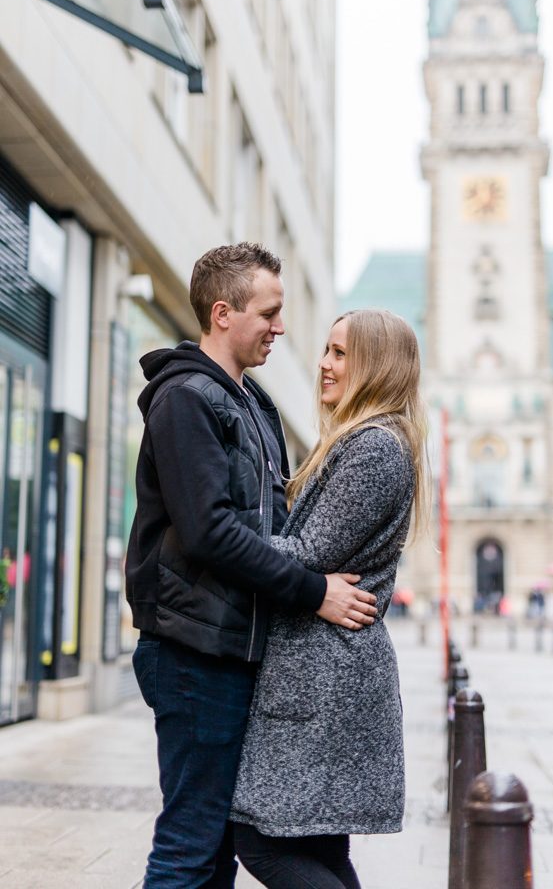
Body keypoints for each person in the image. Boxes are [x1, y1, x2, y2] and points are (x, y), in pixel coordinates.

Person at [126, 243, 378, 889]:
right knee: (190, 842)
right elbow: (209, 533)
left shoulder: (254, 405)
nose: (281, 328)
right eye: (268, 313)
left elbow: (276, 526)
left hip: (234, 652)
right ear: (222, 314)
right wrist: (313, 591)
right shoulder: (186, 399)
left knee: (216, 849)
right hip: (193, 654)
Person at [230, 308, 429, 889]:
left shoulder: (374, 448)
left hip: (327, 673)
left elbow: (309, 552)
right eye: (326, 349)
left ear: (377, 365)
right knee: (319, 847)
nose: (324, 363)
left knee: (262, 843)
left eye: (340, 353)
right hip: (324, 668)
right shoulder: (366, 441)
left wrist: (218, 534)